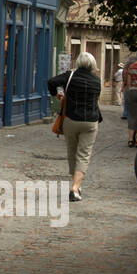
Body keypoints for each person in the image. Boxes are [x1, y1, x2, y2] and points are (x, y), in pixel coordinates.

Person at [47, 53, 103, 202]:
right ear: (92, 64)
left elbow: (51, 81)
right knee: (84, 154)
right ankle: (76, 187)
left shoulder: (70, 76)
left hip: (71, 119)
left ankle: (76, 184)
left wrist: (56, 94)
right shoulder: (97, 81)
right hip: (90, 121)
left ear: (78, 62)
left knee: (72, 151)